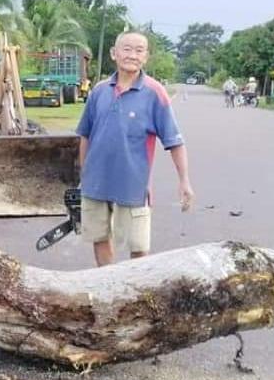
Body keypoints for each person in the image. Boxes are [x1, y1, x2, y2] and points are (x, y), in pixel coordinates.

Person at [77, 31, 195, 266]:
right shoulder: (99, 91)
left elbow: (175, 142)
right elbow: (85, 136)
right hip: (95, 184)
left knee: (138, 249)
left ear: (146, 57)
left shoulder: (154, 92)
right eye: (127, 49)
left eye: (139, 50)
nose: (132, 55)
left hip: (133, 186)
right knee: (99, 239)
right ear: (114, 53)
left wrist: (184, 181)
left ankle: (136, 297)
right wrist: (83, 176)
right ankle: (107, 288)